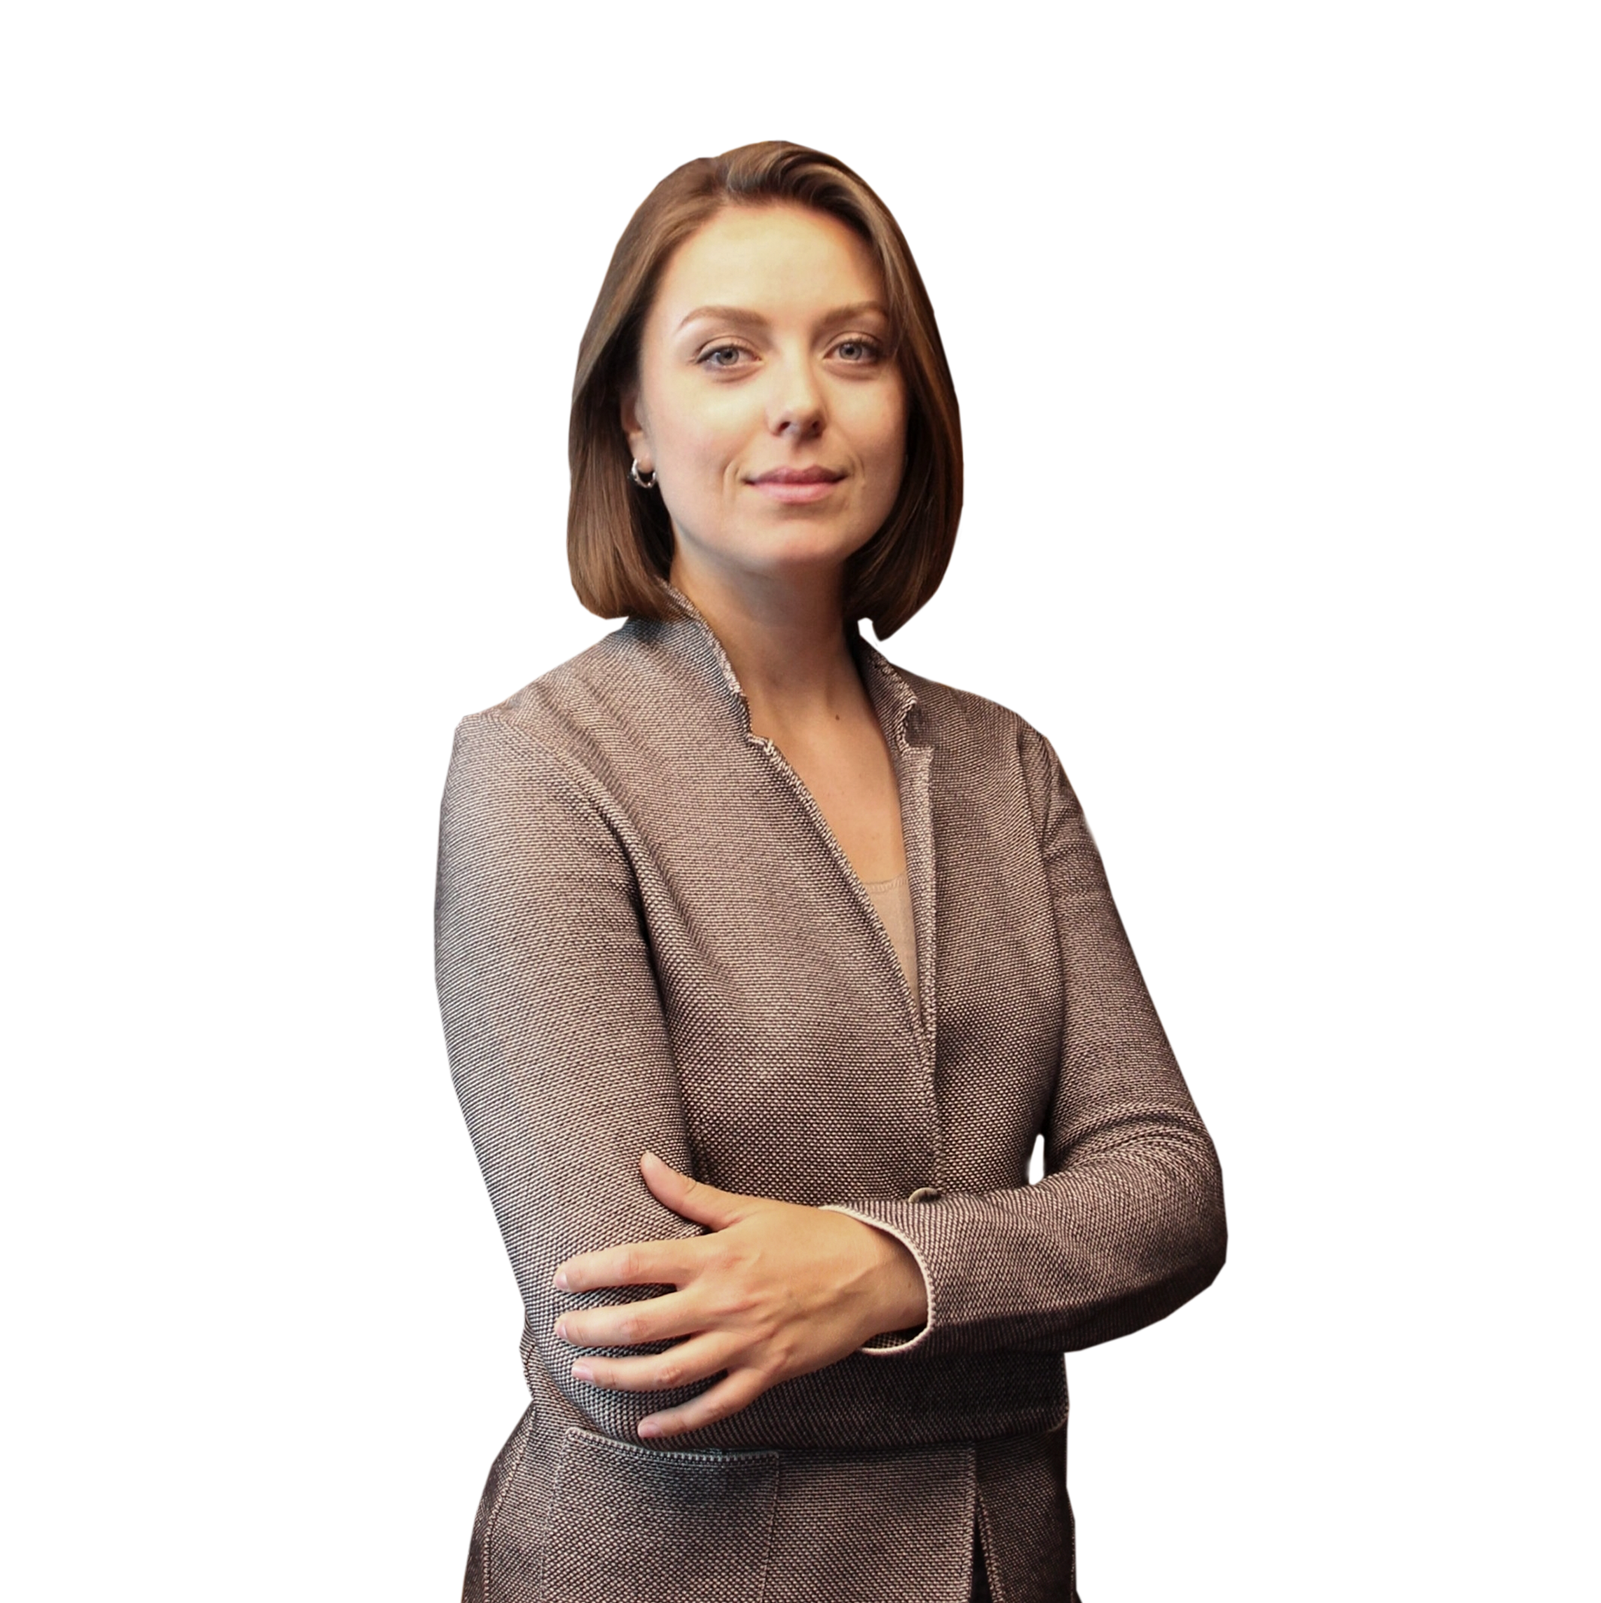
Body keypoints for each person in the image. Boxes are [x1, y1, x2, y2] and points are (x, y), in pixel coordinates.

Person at [434, 143, 1225, 1603]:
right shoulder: (538, 769)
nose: (799, 398)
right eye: (726, 353)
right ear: (634, 423)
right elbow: (631, 1345)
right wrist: (1031, 1316)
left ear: (908, 404)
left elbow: (1170, 1193)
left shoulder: (1005, 769)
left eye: (853, 348)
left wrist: (885, 1271)